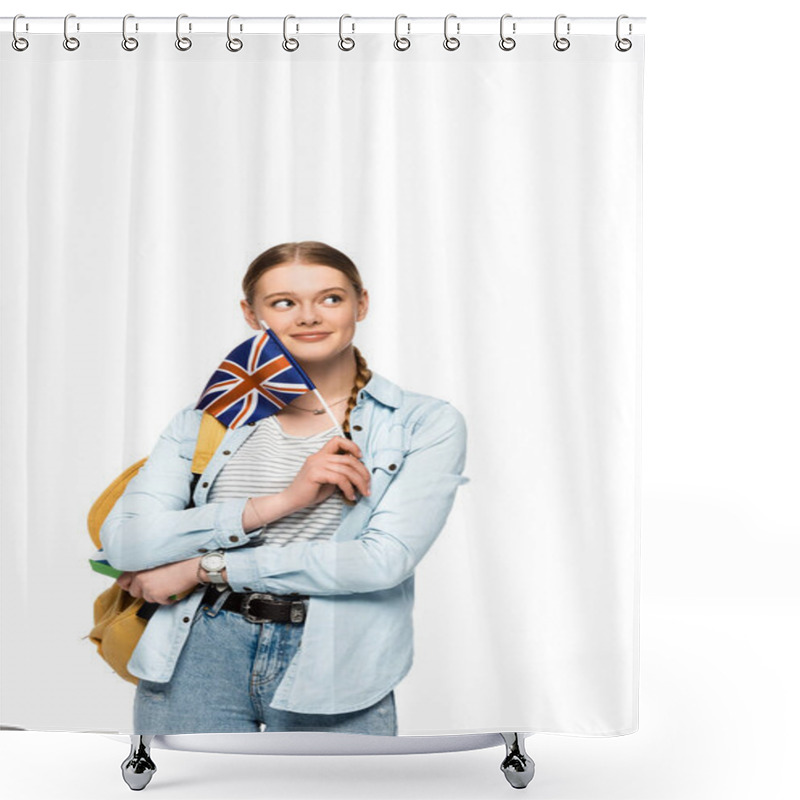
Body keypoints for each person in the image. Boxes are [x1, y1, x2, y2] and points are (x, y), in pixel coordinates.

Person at [101, 241, 470, 735]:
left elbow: (384, 559)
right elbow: (125, 541)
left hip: (336, 658)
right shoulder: (206, 421)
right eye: (283, 302)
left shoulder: (421, 423)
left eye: (331, 298)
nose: (309, 317)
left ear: (362, 303)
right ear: (252, 315)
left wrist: (205, 567)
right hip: (197, 652)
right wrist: (283, 502)